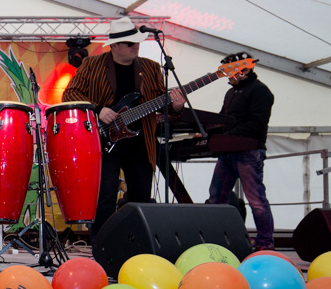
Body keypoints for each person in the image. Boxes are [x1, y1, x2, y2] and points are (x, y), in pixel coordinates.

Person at [61, 17, 185, 240]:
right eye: (130, 43)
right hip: (104, 142)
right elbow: (70, 94)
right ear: (115, 46)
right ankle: (101, 243)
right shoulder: (92, 65)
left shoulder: (150, 67)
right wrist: (98, 109)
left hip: (140, 143)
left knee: (141, 197)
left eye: (137, 42)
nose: (135, 46)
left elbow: (160, 102)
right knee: (105, 196)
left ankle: (136, 243)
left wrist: (175, 106)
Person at [205, 54, 275, 250]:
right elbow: (222, 118)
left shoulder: (260, 91)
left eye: (230, 72)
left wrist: (225, 136)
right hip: (228, 151)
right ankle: (218, 239)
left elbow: (256, 124)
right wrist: (207, 131)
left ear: (244, 70)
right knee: (216, 197)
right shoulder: (231, 93)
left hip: (248, 152)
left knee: (256, 200)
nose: (227, 76)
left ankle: (265, 242)